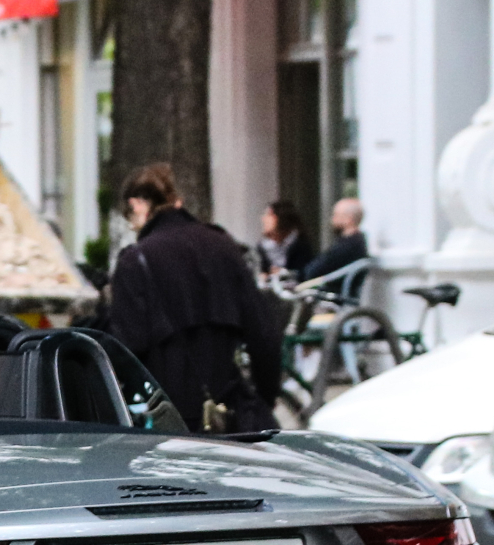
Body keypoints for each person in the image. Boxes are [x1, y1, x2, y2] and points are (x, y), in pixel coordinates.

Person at [102, 163, 285, 431]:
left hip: (169, 419)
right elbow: (264, 335)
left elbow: (126, 347)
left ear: (138, 204)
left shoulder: (137, 260)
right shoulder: (223, 245)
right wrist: (264, 398)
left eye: (130, 218)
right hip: (229, 413)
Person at [299, 196, 368, 283]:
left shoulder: (347, 247)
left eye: (336, 215)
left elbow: (313, 271)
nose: (332, 220)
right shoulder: (355, 242)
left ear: (348, 219)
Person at [257, 200, 312, 280]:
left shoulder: (300, 245)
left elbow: (304, 273)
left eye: (269, 215)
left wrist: (283, 273)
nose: (264, 219)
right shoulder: (263, 247)